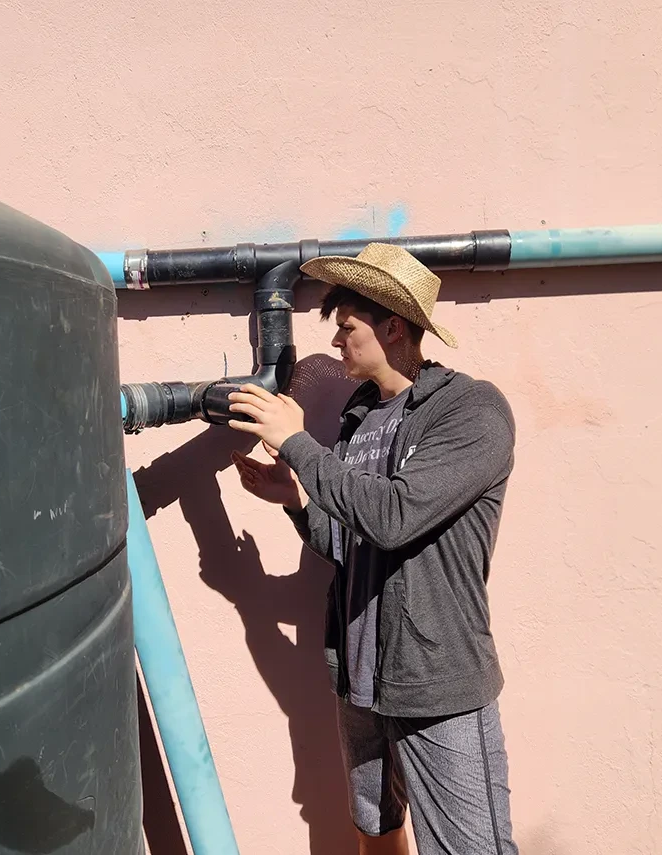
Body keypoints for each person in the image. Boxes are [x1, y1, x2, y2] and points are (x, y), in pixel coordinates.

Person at [226, 243, 519, 855]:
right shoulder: (360, 417)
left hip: (438, 681)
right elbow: (350, 542)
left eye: (348, 328)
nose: (337, 343)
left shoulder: (471, 410)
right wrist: (296, 500)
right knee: (376, 829)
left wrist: (298, 445)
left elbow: (393, 519)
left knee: (474, 849)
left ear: (393, 326)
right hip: (360, 679)